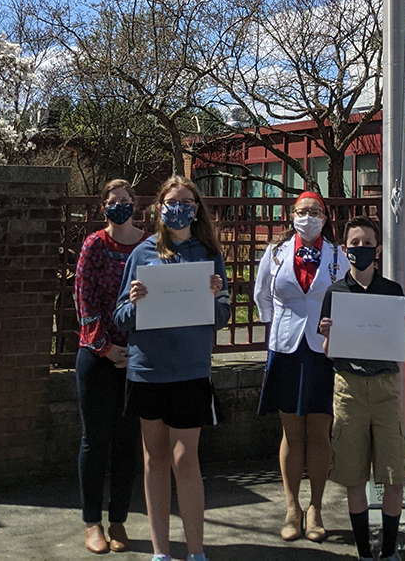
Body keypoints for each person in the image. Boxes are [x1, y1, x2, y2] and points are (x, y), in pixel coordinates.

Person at [114, 176, 230, 561]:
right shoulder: (143, 253)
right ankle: (161, 551)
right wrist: (134, 301)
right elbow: (122, 316)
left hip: (191, 371)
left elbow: (223, 316)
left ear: (196, 209)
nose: (178, 207)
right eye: (171, 200)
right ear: (159, 207)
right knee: (155, 458)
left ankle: (196, 551)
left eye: (186, 201)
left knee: (186, 459)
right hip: (148, 370)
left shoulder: (209, 253)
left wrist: (213, 298)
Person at [316, 216, 405, 561]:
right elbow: (329, 351)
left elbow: (397, 343)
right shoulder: (335, 293)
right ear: (345, 250)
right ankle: (364, 553)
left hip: (386, 387)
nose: (361, 249)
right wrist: (329, 333)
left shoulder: (392, 291)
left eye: (367, 242)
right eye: (355, 243)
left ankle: (388, 551)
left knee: (393, 474)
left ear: (378, 248)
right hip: (349, 388)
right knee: (353, 474)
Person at [254, 190, 343, 542]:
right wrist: (275, 324)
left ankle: (316, 508)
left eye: (315, 211)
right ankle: (292, 507)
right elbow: (262, 294)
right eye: (302, 211)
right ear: (292, 215)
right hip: (286, 348)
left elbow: (348, 298)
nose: (308, 217)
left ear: (325, 217)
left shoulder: (338, 255)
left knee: (319, 432)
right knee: (291, 432)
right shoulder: (275, 253)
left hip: (323, 350)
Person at [74, 180, 145, 554]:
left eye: (126, 201)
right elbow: (84, 301)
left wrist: (132, 349)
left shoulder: (150, 246)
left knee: (127, 441)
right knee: (95, 439)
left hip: (136, 358)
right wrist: (106, 347)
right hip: (98, 357)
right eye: (113, 201)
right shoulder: (94, 245)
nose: (120, 206)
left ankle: (119, 519)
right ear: (104, 207)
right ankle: (92, 522)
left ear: (136, 205)